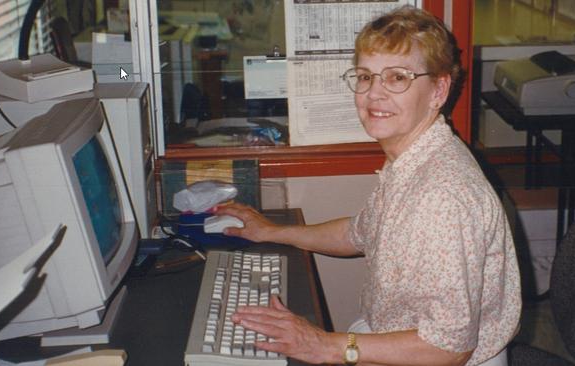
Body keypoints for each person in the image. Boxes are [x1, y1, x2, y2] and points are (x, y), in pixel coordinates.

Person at [216, 5, 521, 366]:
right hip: (393, 339)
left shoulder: (442, 195)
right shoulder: (413, 160)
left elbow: (448, 348)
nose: (373, 94)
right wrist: (272, 233)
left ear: (439, 90)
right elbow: (357, 233)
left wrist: (324, 344)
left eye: (396, 78)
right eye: (365, 76)